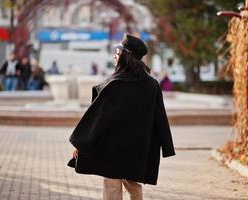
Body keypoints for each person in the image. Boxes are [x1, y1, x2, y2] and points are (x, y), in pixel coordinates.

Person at [68, 34, 175, 200]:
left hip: (112, 149)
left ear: (126, 55)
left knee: (112, 189)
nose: (115, 54)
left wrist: (82, 144)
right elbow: (160, 117)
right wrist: (167, 146)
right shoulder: (151, 85)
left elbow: (98, 120)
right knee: (134, 187)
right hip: (137, 148)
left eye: (118, 51)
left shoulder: (115, 84)